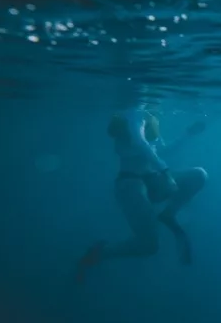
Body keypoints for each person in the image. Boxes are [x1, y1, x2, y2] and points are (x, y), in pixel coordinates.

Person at [75, 105, 208, 283]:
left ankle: (169, 214)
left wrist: (187, 134)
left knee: (198, 175)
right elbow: (139, 143)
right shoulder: (134, 113)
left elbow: (160, 151)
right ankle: (100, 252)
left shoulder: (148, 116)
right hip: (130, 183)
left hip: (152, 179)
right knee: (149, 246)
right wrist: (166, 172)